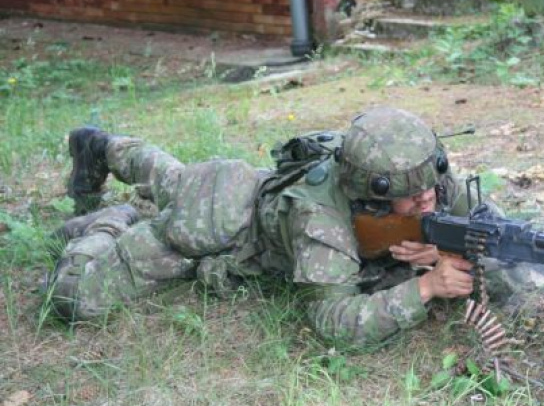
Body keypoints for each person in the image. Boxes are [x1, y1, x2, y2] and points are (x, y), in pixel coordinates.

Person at [49, 107, 481, 344]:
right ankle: (110, 218)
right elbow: (334, 320)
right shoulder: (321, 220)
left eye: (432, 182)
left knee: (171, 178)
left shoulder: (420, 175)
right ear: (373, 191)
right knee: (75, 299)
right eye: (413, 194)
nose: (429, 198)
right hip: (221, 219)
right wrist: (426, 287)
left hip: (247, 197)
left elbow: (488, 227)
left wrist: (443, 250)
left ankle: (100, 147)